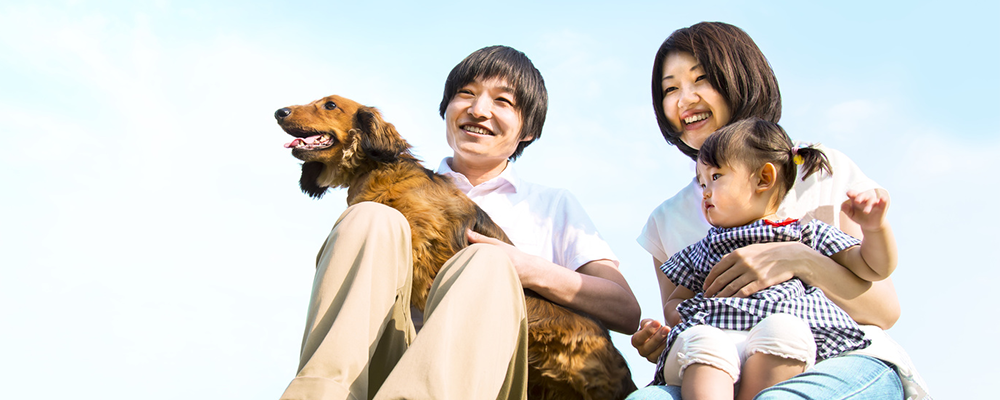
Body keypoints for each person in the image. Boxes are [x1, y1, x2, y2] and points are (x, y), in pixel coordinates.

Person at [278, 45, 641, 400]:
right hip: (388, 367)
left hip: (506, 380)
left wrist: (527, 269)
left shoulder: (552, 204)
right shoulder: (388, 195)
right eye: (466, 94)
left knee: (486, 261)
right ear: (447, 109)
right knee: (369, 217)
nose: (479, 109)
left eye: (503, 101)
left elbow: (625, 311)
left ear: (527, 129)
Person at [627, 22, 930, 399]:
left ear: (740, 78)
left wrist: (797, 259)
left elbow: (882, 310)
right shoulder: (664, 222)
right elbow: (683, 314)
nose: (683, 99)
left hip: (843, 357)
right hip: (724, 371)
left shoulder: (817, 169)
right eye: (670, 88)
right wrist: (665, 339)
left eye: (700, 79)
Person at [653, 118, 898, 400]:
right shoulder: (706, 247)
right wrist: (685, 318)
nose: (705, 191)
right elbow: (676, 301)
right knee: (706, 343)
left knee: (786, 331)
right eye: (701, 182)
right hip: (719, 340)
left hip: (778, 341)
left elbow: (873, 267)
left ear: (764, 178)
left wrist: (875, 228)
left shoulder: (804, 234)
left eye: (716, 177)